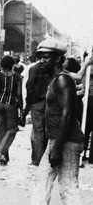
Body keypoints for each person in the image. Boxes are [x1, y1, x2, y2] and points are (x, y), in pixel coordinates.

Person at [30, 38, 85, 205]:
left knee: (68, 188)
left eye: (46, 57)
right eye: (40, 57)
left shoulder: (62, 80)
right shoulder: (57, 79)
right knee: (41, 181)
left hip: (66, 142)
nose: (42, 61)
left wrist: (57, 148)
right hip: (57, 140)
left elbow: (67, 115)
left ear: (58, 59)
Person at [0, 56, 22, 165]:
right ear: (12, 64)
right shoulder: (18, 77)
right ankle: (2, 152)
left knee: (0, 130)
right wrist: (21, 110)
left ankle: (1, 156)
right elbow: (19, 94)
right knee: (12, 129)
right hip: (11, 104)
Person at [26, 51, 53, 167]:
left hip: (36, 103)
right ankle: (47, 157)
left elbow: (30, 85)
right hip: (50, 103)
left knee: (37, 131)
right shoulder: (52, 69)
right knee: (48, 130)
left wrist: (28, 102)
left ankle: (37, 159)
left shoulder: (34, 68)